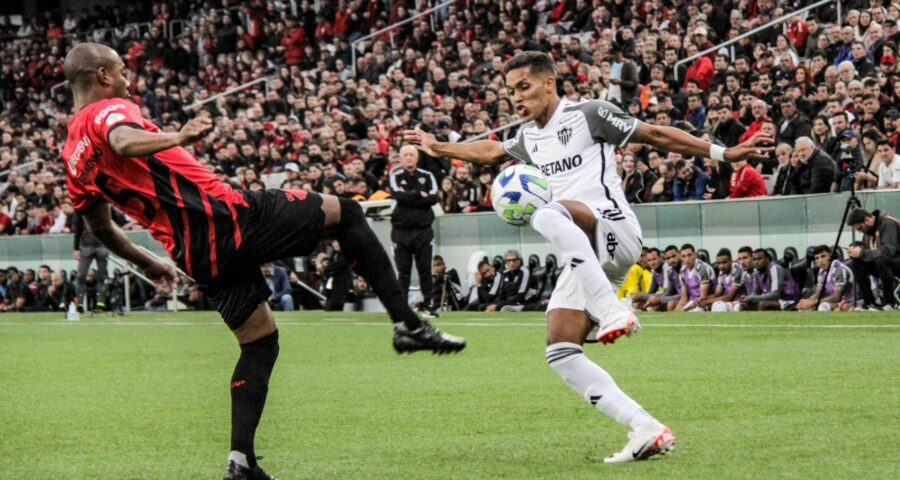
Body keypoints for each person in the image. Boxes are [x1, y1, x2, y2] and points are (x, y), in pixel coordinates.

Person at [60, 42, 464, 480]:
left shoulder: (71, 156)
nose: (126, 79)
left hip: (195, 254)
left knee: (259, 342)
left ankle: (241, 462)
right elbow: (121, 139)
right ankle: (407, 323)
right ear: (102, 76)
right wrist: (177, 137)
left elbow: (100, 227)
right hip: (229, 217)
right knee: (347, 213)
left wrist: (149, 263)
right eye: (121, 71)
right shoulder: (107, 111)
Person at [404, 51, 771, 463]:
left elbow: (655, 135)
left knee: (545, 210)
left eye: (523, 87)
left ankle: (613, 311)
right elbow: (491, 152)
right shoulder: (529, 137)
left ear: (549, 83)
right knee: (560, 350)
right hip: (583, 252)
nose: (516, 98)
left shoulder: (589, 113)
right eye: (510, 92)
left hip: (615, 230)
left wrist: (726, 154)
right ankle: (646, 429)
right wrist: (439, 146)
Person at [388, 145, 440, 317]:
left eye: (412, 154)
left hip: (423, 231)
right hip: (401, 232)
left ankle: (429, 305)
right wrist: (420, 195)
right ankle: (401, 308)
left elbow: (433, 198)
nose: (409, 157)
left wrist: (409, 195)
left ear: (417, 158)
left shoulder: (427, 176)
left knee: (425, 269)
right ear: (401, 158)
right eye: (405, 155)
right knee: (403, 272)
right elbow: (398, 196)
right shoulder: (395, 176)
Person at [846, 208, 900, 310]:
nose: (860, 231)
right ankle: (869, 303)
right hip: (886, 265)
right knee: (857, 262)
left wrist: (861, 252)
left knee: (882, 260)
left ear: (867, 220)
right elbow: (868, 251)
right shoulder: (870, 229)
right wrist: (857, 249)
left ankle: (889, 303)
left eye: (860, 228)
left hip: (894, 261)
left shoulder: (888, 223)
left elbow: (888, 251)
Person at [796, 245, 854, 312]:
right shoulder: (822, 271)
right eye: (817, 258)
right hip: (836, 304)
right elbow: (818, 293)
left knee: (822, 307)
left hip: (848, 303)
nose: (820, 261)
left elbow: (836, 297)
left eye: (823, 256)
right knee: (804, 308)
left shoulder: (839, 269)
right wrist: (807, 301)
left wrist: (812, 303)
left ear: (830, 256)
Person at [673, 244, 716, 311]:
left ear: (695, 254)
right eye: (683, 256)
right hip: (692, 302)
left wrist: (685, 310)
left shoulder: (702, 268)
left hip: (707, 303)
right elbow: (683, 299)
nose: (687, 259)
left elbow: (703, 298)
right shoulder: (682, 271)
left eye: (689, 255)